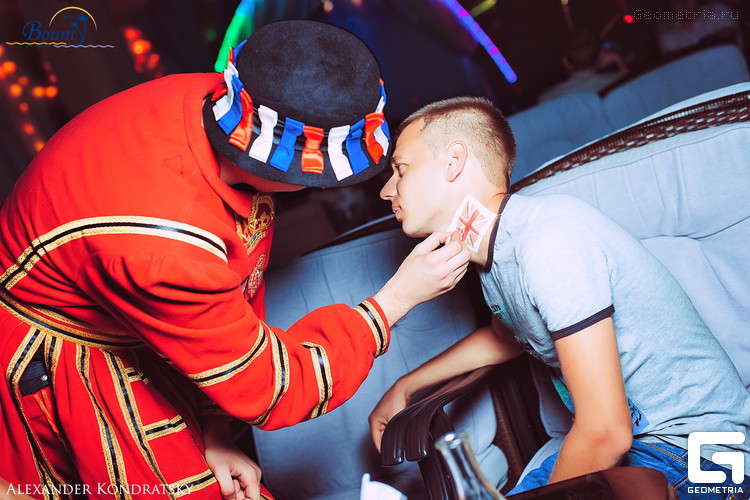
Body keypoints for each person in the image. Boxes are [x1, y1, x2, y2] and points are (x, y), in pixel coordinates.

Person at [0, 21, 471, 500]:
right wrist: (394, 301)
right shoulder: (165, 248)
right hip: (71, 356)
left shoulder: (227, 101)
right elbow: (272, 386)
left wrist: (215, 426)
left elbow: (237, 286)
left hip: (148, 318)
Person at [369, 96, 750, 497]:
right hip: (646, 450)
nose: (387, 190)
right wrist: (406, 386)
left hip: (700, 456)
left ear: (453, 162)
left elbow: (606, 432)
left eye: (400, 169)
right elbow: (506, 338)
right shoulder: (497, 251)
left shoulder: (549, 239)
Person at [539, 30, 627, 102]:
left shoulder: (547, 99)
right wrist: (618, 60)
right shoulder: (618, 82)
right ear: (600, 57)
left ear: (566, 63)